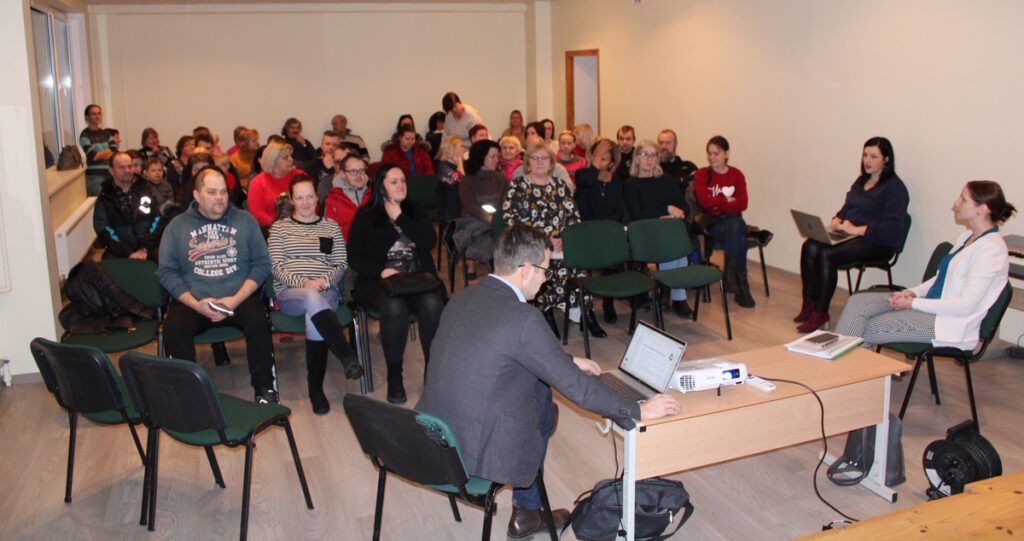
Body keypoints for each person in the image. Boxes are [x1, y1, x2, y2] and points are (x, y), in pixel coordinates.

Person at [416, 225, 681, 539]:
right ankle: (527, 512)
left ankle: (527, 511)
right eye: (545, 270)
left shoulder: (461, 298)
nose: (546, 279)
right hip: (472, 453)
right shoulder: (523, 317)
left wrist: (564, 359)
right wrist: (638, 410)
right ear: (526, 270)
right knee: (541, 396)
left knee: (537, 389)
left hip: (431, 437)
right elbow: (578, 389)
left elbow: (497, 345)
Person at [836, 181, 1014, 351]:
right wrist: (912, 293)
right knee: (857, 302)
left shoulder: (991, 250)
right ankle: (850, 368)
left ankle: (846, 369)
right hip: (929, 307)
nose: (956, 203)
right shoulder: (967, 237)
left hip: (946, 324)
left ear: (982, 209)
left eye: (963, 199)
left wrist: (914, 303)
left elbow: (965, 305)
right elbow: (941, 278)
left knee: (862, 328)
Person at [157, 167, 278, 403]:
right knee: (175, 328)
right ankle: (187, 397)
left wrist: (235, 300)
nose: (220, 197)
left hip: (237, 297)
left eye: (223, 191)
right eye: (212, 192)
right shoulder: (178, 226)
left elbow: (262, 263)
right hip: (194, 300)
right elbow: (167, 271)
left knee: (258, 322)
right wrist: (196, 304)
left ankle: (264, 389)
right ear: (196, 195)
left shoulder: (245, 221)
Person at [347, 164, 444, 404]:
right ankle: (394, 377)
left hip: (416, 278)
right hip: (379, 281)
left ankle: (432, 373)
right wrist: (381, 271)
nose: (401, 185)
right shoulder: (367, 214)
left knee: (433, 303)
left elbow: (429, 241)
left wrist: (400, 217)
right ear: (381, 186)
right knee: (395, 307)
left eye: (403, 180)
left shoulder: (414, 209)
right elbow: (354, 256)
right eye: (394, 182)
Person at [268, 174, 364, 415]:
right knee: (312, 298)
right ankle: (346, 356)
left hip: (326, 290)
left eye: (309, 196)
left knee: (314, 316)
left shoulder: (330, 227)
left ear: (316, 197)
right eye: (299, 198)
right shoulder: (279, 228)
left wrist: (324, 281)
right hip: (291, 293)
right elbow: (277, 268)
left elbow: (341, 264)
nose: (305, 202)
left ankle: (315, 389)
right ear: (291, 200)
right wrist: (305, 283)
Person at [795, 137, 910, 332]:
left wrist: (856, 230)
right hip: (851, 236)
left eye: (874, 156)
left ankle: (821, 312)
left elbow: (891, 228)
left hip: (878, 242)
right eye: (865, 155)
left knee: (827, 254)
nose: (867, 161)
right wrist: (838, 219)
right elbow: (847, 208)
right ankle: (809, 303)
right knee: (810, 246)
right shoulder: (861, 181)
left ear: (886, 159)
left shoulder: (895, 188)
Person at [503, 144, 606, 339]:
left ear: (551, 163)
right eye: (535, 158)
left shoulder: (559, 185)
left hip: (561, 242)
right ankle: (546, 310)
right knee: (547, 267)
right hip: (532, 244)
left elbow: (573, 216)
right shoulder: (517, 186)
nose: (540, 162)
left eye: (544, 158)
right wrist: (545, 239)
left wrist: (563, 238)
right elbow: (511, 220)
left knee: (577, 266)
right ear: (528, 162)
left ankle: (586, 312)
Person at [624, 139, 692, 317]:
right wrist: (666, 209)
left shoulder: (666, 180)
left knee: (673, 233)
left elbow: (684, 207)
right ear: (637, 158)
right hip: (644, 233)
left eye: (653, 155)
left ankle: (672, 292)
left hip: (668, 230)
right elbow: (638, 214)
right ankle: (677, 296)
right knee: (672, 237)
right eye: (645, 155)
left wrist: (675, 214)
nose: (649, 159)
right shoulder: (631, 184)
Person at [693, 135, 756, 308]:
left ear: (726, 154)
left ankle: (732, 278)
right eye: (709, 153)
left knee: (738, 230)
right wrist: (726, 201)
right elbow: (704, 202)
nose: (711, 157)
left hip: (732, 221)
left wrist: (717, 203)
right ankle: (741, 285)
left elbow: (743, 203)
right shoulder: (701, 174)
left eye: (716, 153)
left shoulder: (736, 175)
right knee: (739, 229)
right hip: (713, 223)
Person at [574, 138, 625, 323]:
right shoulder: (582, 175)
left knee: (614, 250)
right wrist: (596, 158)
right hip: (587, 231)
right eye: (596, 157)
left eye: (603, 158)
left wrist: (608, 227)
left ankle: (608, 302)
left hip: (608, 231)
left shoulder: (616, 181)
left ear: (611, 163)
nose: (598, 161)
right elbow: (589, 181)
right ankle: (586, 305)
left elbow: (619, 210)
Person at [93, 152, 164, 261]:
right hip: (120, 250)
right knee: (108, 265)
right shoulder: (105, 197)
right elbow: (103, 230)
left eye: (130, 166)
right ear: (111, 171)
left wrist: (144, 248)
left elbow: (161, 218)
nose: (127, 170)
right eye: (121, 167)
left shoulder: (148, 189)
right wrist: (127, 252)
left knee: (165, 259)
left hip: (150, 246)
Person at [455, 140, 506, 277]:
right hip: (473, 218)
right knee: (481, 228)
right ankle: (472, 260)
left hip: (496, 217)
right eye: (492, 156)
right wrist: (488, 218)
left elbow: (506, 201)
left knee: (497, 228)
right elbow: (470, 205)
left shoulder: (501, 178)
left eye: (497, 156)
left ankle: (477, 256)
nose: (496, 160)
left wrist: (497, 218)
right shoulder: (468, 180)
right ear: (481, 157)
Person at [247, 140, 305, 230]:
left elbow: (312, 204)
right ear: (273, 161)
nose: (291, 159)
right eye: (286, 157)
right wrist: (281, 227)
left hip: (302, 226)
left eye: (290, 156)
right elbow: (258, 214)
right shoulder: (257, 183)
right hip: (271, 230)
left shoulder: (301, 176)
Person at [323, 153, 372, 241]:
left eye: (361, 170)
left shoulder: (374, 193)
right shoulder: (332, 198)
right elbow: (329, 232)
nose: (358, 175)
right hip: (345, 246)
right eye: (353, 171)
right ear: (342, 174)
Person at [80, 104, 117, 195]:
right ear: (87, 117)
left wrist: (99, 154)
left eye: (99, 113)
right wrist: (107, 150)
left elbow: (115, 153)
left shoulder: (106, 134)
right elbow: (93, 157)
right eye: (94, 114)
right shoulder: (85, 135)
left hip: (109, 174)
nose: (97, 116)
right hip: (94, 177)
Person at [656, 129, 698, 194]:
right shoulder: (653, 169)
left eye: (668, 143)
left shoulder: (689, 167)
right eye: (661, 143)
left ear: (675, 144)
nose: (663, 146)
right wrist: (684, 181)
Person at [435, 135, 465, 222]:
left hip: (460, 201)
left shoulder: (463, 165)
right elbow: (459, 180)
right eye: (462, 146)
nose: (464, 149)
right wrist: (460, 164)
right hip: (449, 205)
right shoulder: (443, 165)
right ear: (453, 149)